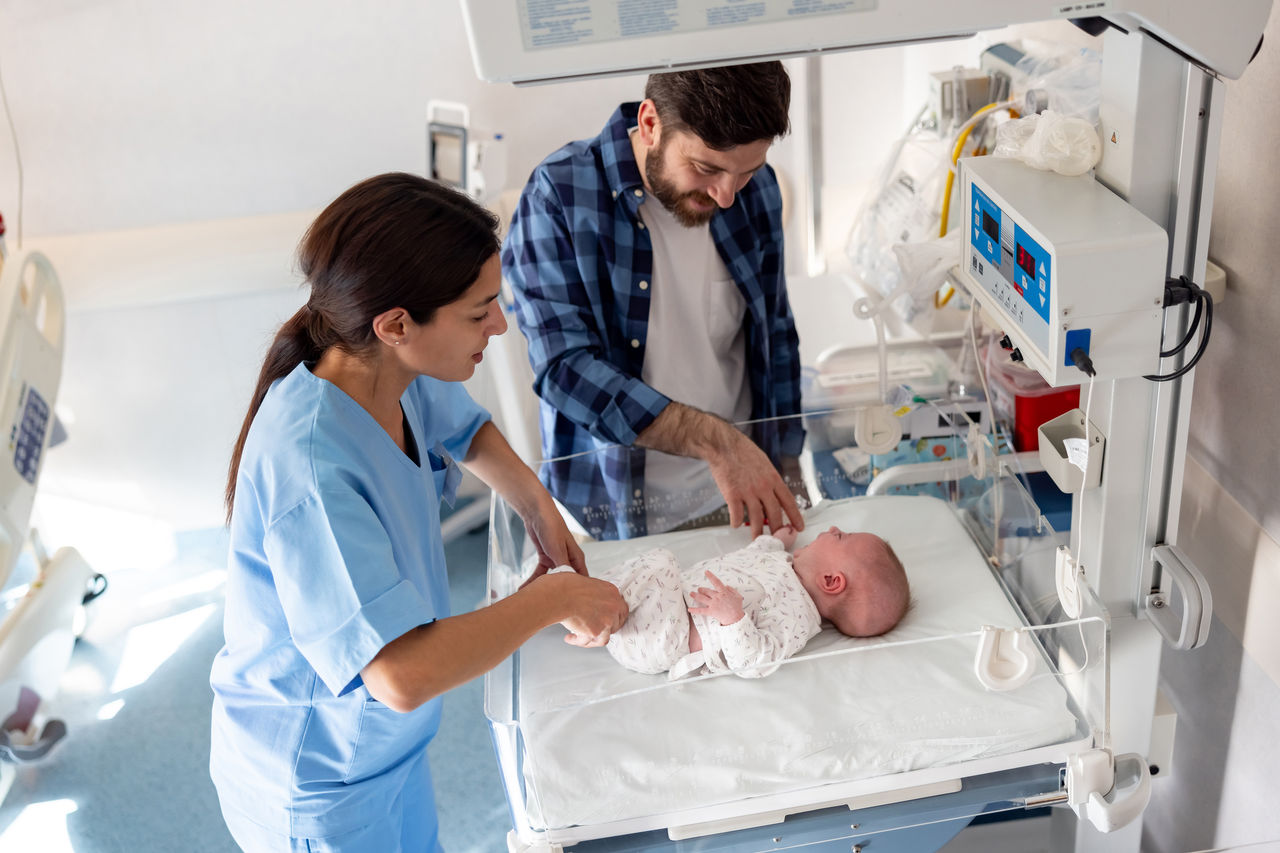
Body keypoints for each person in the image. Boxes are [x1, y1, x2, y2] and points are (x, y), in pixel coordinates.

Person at [209, 173, 628, 853]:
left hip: (386, 751)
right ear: (397, 324)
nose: (500, 325)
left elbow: (465, 430)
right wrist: (554, 599)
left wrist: (537, 505)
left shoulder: (387, 373)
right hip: (318, 782)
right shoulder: (311, 467)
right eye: (479, 312)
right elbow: (400, 675)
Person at [502, 62, 807, 541]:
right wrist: (719, 443)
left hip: (744, 490)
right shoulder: (559, 196)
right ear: (649, 124)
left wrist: (788, 463)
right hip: (617, 505)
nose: (727, 196)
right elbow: (564, 369)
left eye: (745, 173)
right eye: (706, 169)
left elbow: (776, 332)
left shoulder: (759, 190)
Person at [595, 525, 910, 680]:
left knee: (660, 563)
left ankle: (589, 606)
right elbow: (753, 557)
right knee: (656, 568)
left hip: (662, 636)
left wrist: (733, 620)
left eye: (841, 537)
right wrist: (776, 541)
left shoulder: (797, 618)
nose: (833, 529)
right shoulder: (785, 564)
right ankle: (587, 602)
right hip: (657, 608)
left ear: (830, 581)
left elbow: (753, 662)